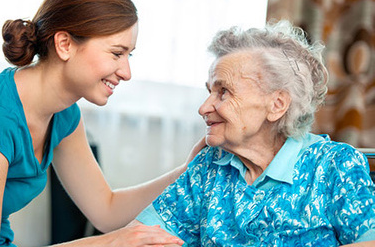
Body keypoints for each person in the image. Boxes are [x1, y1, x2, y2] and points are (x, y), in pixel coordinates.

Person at [0, 0, 205, 246]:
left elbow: (106, 210)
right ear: (65, 45)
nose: (126, 72)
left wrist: (187, 171)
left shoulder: (64, 115)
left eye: (129, 55)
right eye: (116, 53)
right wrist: (109, 242)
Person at [133, 20, 375, 246]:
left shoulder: (334, 165)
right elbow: (143, 238)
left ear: (277, 105)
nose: (204, 108)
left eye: (223, 92)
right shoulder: (209, 166)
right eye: (209, 91)